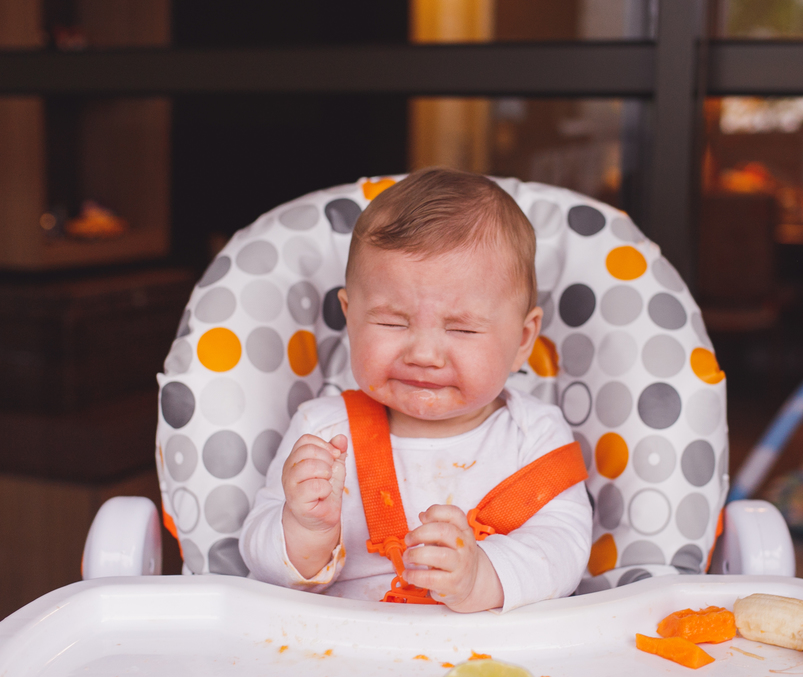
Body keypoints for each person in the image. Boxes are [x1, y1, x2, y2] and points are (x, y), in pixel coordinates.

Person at [239, 168, 592, 612]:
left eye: (462, 329)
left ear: (523, 340)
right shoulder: (324, 430)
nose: (424, 353)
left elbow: (564, 543)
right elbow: (256, 551)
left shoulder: (534, 435)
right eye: (392, 322)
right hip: (339, 650)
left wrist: (484, 574)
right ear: (350, 317)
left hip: (487, 657)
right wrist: (304, 529)